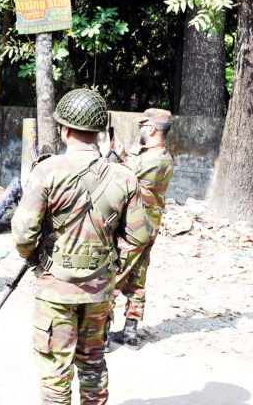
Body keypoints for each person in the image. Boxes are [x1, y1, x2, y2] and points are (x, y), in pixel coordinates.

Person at [10, 88, 152, 405]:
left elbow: (22, 234)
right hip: (100, 292)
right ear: (99, 133)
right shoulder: (125, 177)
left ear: (64, 128)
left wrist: (38, 261)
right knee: (93, 366)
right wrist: (112, 266)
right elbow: (141, 237)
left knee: (55, 375)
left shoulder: (46, 170)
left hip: (55, 292)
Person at [104, 108, 174, 349]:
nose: (141, 131)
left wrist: (120, 153)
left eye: (143, 127)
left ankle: (101, 335)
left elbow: (120, 173)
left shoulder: (152, 159)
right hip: (148, 229)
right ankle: (130, 333)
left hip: (134, 229)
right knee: (137, 279)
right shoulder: (162, 156)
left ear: (152, 129)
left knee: (114, 276)